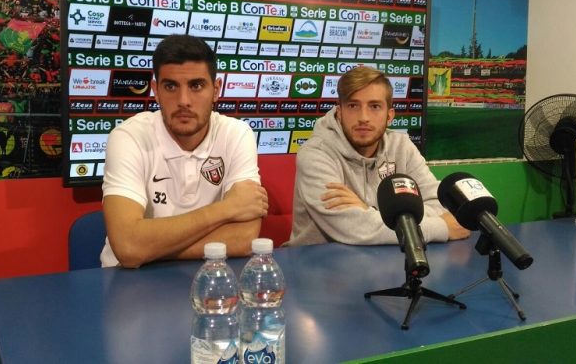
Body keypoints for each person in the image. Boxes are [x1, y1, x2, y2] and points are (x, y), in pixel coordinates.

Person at [100, 35, 268, 268]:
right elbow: (128, 246)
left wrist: (147, 249)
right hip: (129, 280)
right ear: (156, 90)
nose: (184, 100)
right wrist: (226, 209)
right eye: (171, 86)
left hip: (208, 275)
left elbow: (244, 238)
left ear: (216, 90)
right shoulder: (129, 136)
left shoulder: (236, 134)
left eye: (196, 86)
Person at [287, 66, 470, 246]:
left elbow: (438, 204)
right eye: (353, 105)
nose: (363, 117)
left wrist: (368, 212)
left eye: (374, 106)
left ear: (389, 116)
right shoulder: (316, 153)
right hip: (319, 260)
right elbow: (351, 227)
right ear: (340, 112)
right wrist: (440, 228)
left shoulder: (401, 146)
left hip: (389, 256)